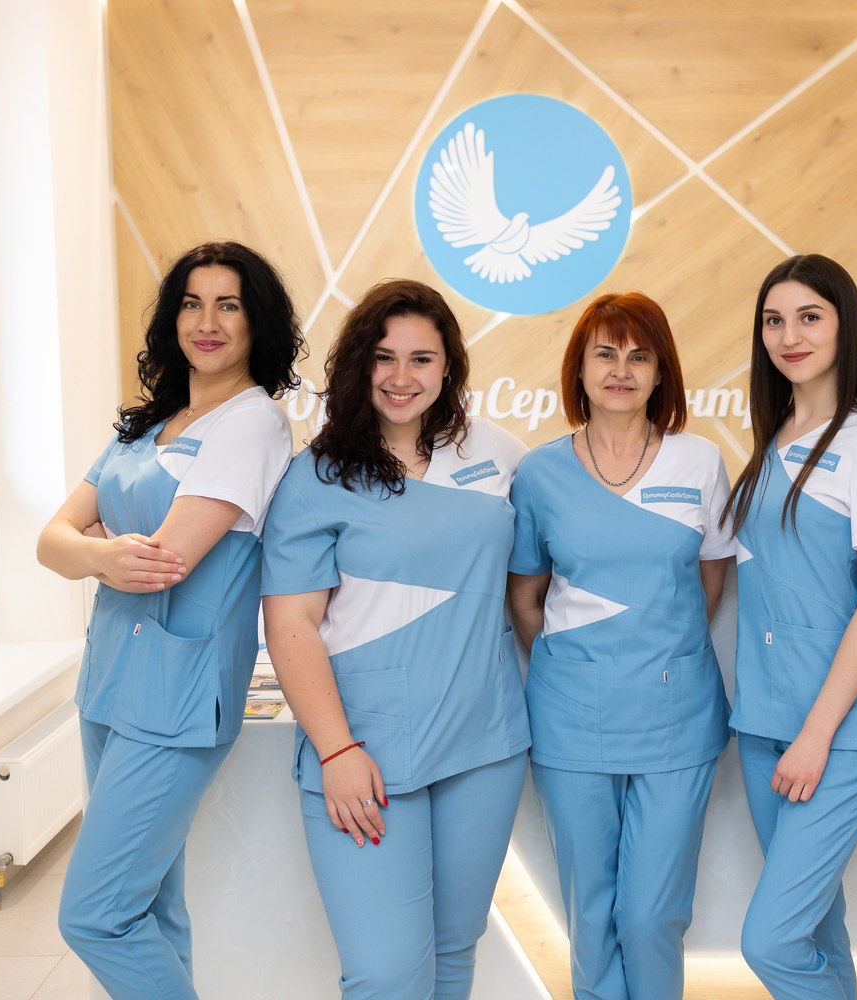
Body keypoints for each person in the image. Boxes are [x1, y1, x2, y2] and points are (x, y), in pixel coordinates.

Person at [37, 241, 301, 999]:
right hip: (108, 682)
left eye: (228, 305)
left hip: (178, 695)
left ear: (256, 322)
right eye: (191, 303)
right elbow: (50, 541)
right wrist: (103, 555)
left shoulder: (253, 424)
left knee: (95, 916)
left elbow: (165, 560)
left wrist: (95, 549)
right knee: (150, 905)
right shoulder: (146, 423)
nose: (206, 322)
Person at [260, 279, 530, 999]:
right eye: (384, 357)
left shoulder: (497, 454)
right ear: (359, 364)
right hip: (366, 751)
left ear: (449, 366)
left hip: (485, 742)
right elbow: (291, 623)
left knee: (454, 949)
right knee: (386, 973)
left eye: (422, 358)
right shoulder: (316, 477)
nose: (402, 377)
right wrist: (336, 751)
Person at [506, 291, 732, 1000]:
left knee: (651, 915)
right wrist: (579, 663)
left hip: (676, 717)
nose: (621, 370)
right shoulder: (539, 474)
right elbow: (525, 597)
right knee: (592, 914)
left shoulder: (699, 462)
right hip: (572, 720)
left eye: (639, 356)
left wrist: (658, 644)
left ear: (662, 372)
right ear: (579, 368)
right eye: (605, 353)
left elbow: (711, 579)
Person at [720, 255, 857, 999]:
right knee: (816, 929)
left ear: (845, 326)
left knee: (770, 941)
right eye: (774, 320)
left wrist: (816, 734)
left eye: (810, 317)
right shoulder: (776, 434)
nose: (789, 336)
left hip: (837, 731)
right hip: (765, 720)